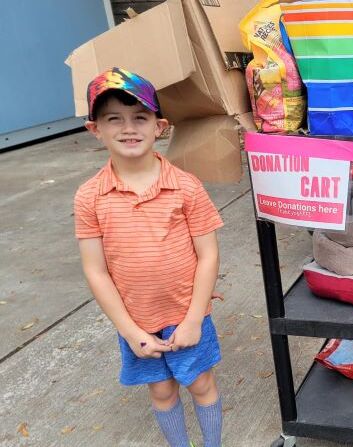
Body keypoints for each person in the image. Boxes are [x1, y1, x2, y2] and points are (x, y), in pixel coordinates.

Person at [74, 67, 224, 447]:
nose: (129, 128)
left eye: (140, 117)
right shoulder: (90, 197)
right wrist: (130, 331)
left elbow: (208, 255)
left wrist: (193, 318)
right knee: (161, 391)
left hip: (187, 315)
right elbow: (96, 272)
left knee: (201, 383)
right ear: (96, 130)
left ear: (160, 126)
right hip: (136, 321)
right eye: (114, 119)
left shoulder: (186, 187)